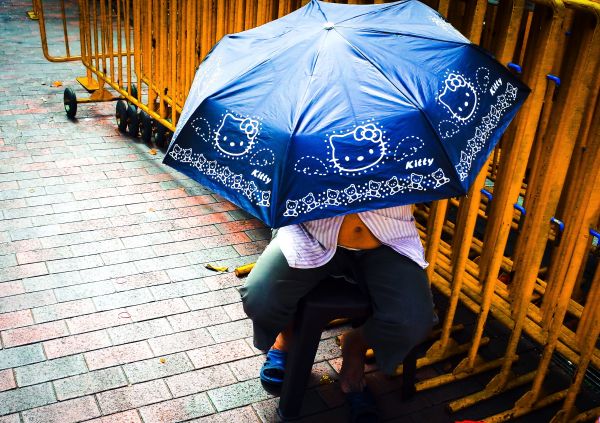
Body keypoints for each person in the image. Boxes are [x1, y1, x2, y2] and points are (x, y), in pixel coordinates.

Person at [239, 206, 436, 422]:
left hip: (388, 239)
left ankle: (355, 346)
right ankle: (286, 338)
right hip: (310, 229)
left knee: (414, 321)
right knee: (260, 298)